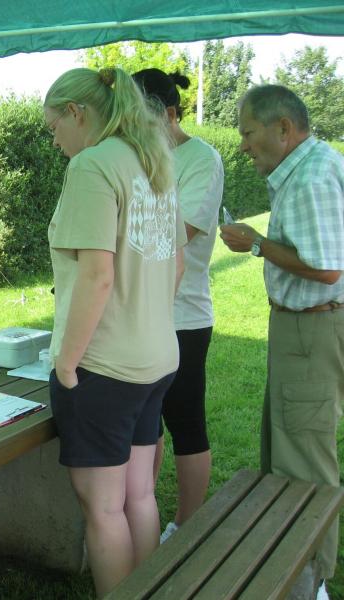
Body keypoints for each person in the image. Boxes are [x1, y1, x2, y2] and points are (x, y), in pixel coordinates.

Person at [44, 67, 186, 597]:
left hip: (103, 368)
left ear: (77, 112)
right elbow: (176, 265)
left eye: (54, 126)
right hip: (156, 358)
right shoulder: (153, 160)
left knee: (103, 509)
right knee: (139, 496)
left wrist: (66, 363)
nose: (54, 140)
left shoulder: (92, 165)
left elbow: (97, 276)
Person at [220, 84, 344, 600]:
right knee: (290, 442)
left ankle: (309, 582)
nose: (244, 145)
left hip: (311, 328)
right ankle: (296, 571)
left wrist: (255, 244)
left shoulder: (311, 178)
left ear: (284, 129)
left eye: (249, 133)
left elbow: (328, 269)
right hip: (304, 328)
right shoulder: (312, 165)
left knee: (304, 462)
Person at [132, 68, 225, 541]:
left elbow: (176, 233)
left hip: (184, 316)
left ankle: (187, 526)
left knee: (185, 421)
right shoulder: (140, 157)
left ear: (169, 114)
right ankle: (141, 510)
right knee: (145, 423)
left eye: (140, 120)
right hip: (140, 314)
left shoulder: (201, 159)